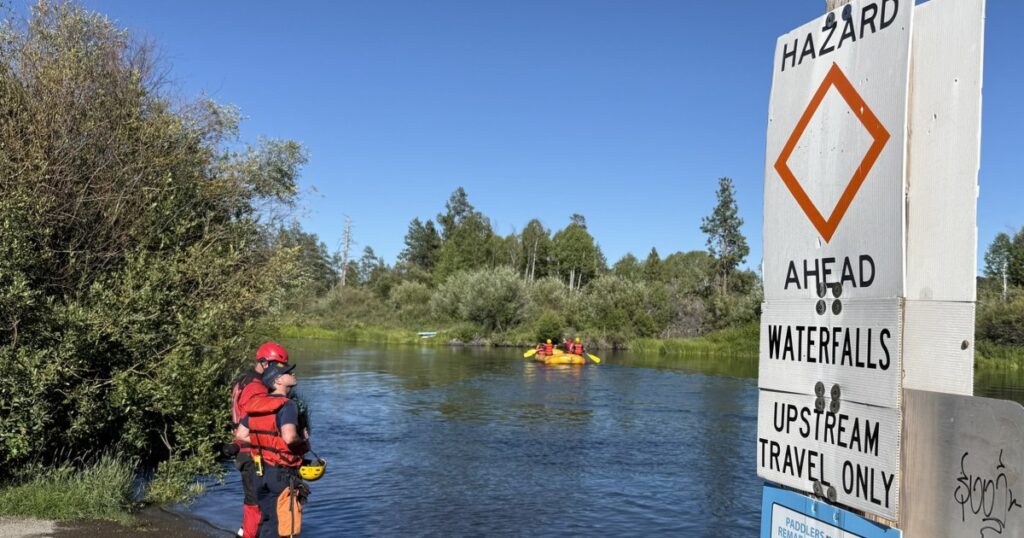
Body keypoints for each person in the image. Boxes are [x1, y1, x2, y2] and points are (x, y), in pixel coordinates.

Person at [236, 361, 310, 538]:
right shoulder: (288, 405)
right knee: (285, 528)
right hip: (281, 475)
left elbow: (241, 434)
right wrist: (304, 440)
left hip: (260, 473)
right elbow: (290, 437)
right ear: (277, 381)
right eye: (288, 373)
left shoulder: (257, 404)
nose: (292, 374)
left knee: (269, 521)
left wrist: (266, 443)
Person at [230, 342, 291, 538]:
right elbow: (252, 421)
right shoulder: (257, 388)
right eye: (276, 365)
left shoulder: (243, 381)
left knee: (254, 500)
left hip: (243, 447)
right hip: (251, 450)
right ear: (264, 363)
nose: (278, 370)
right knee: (256, 502)